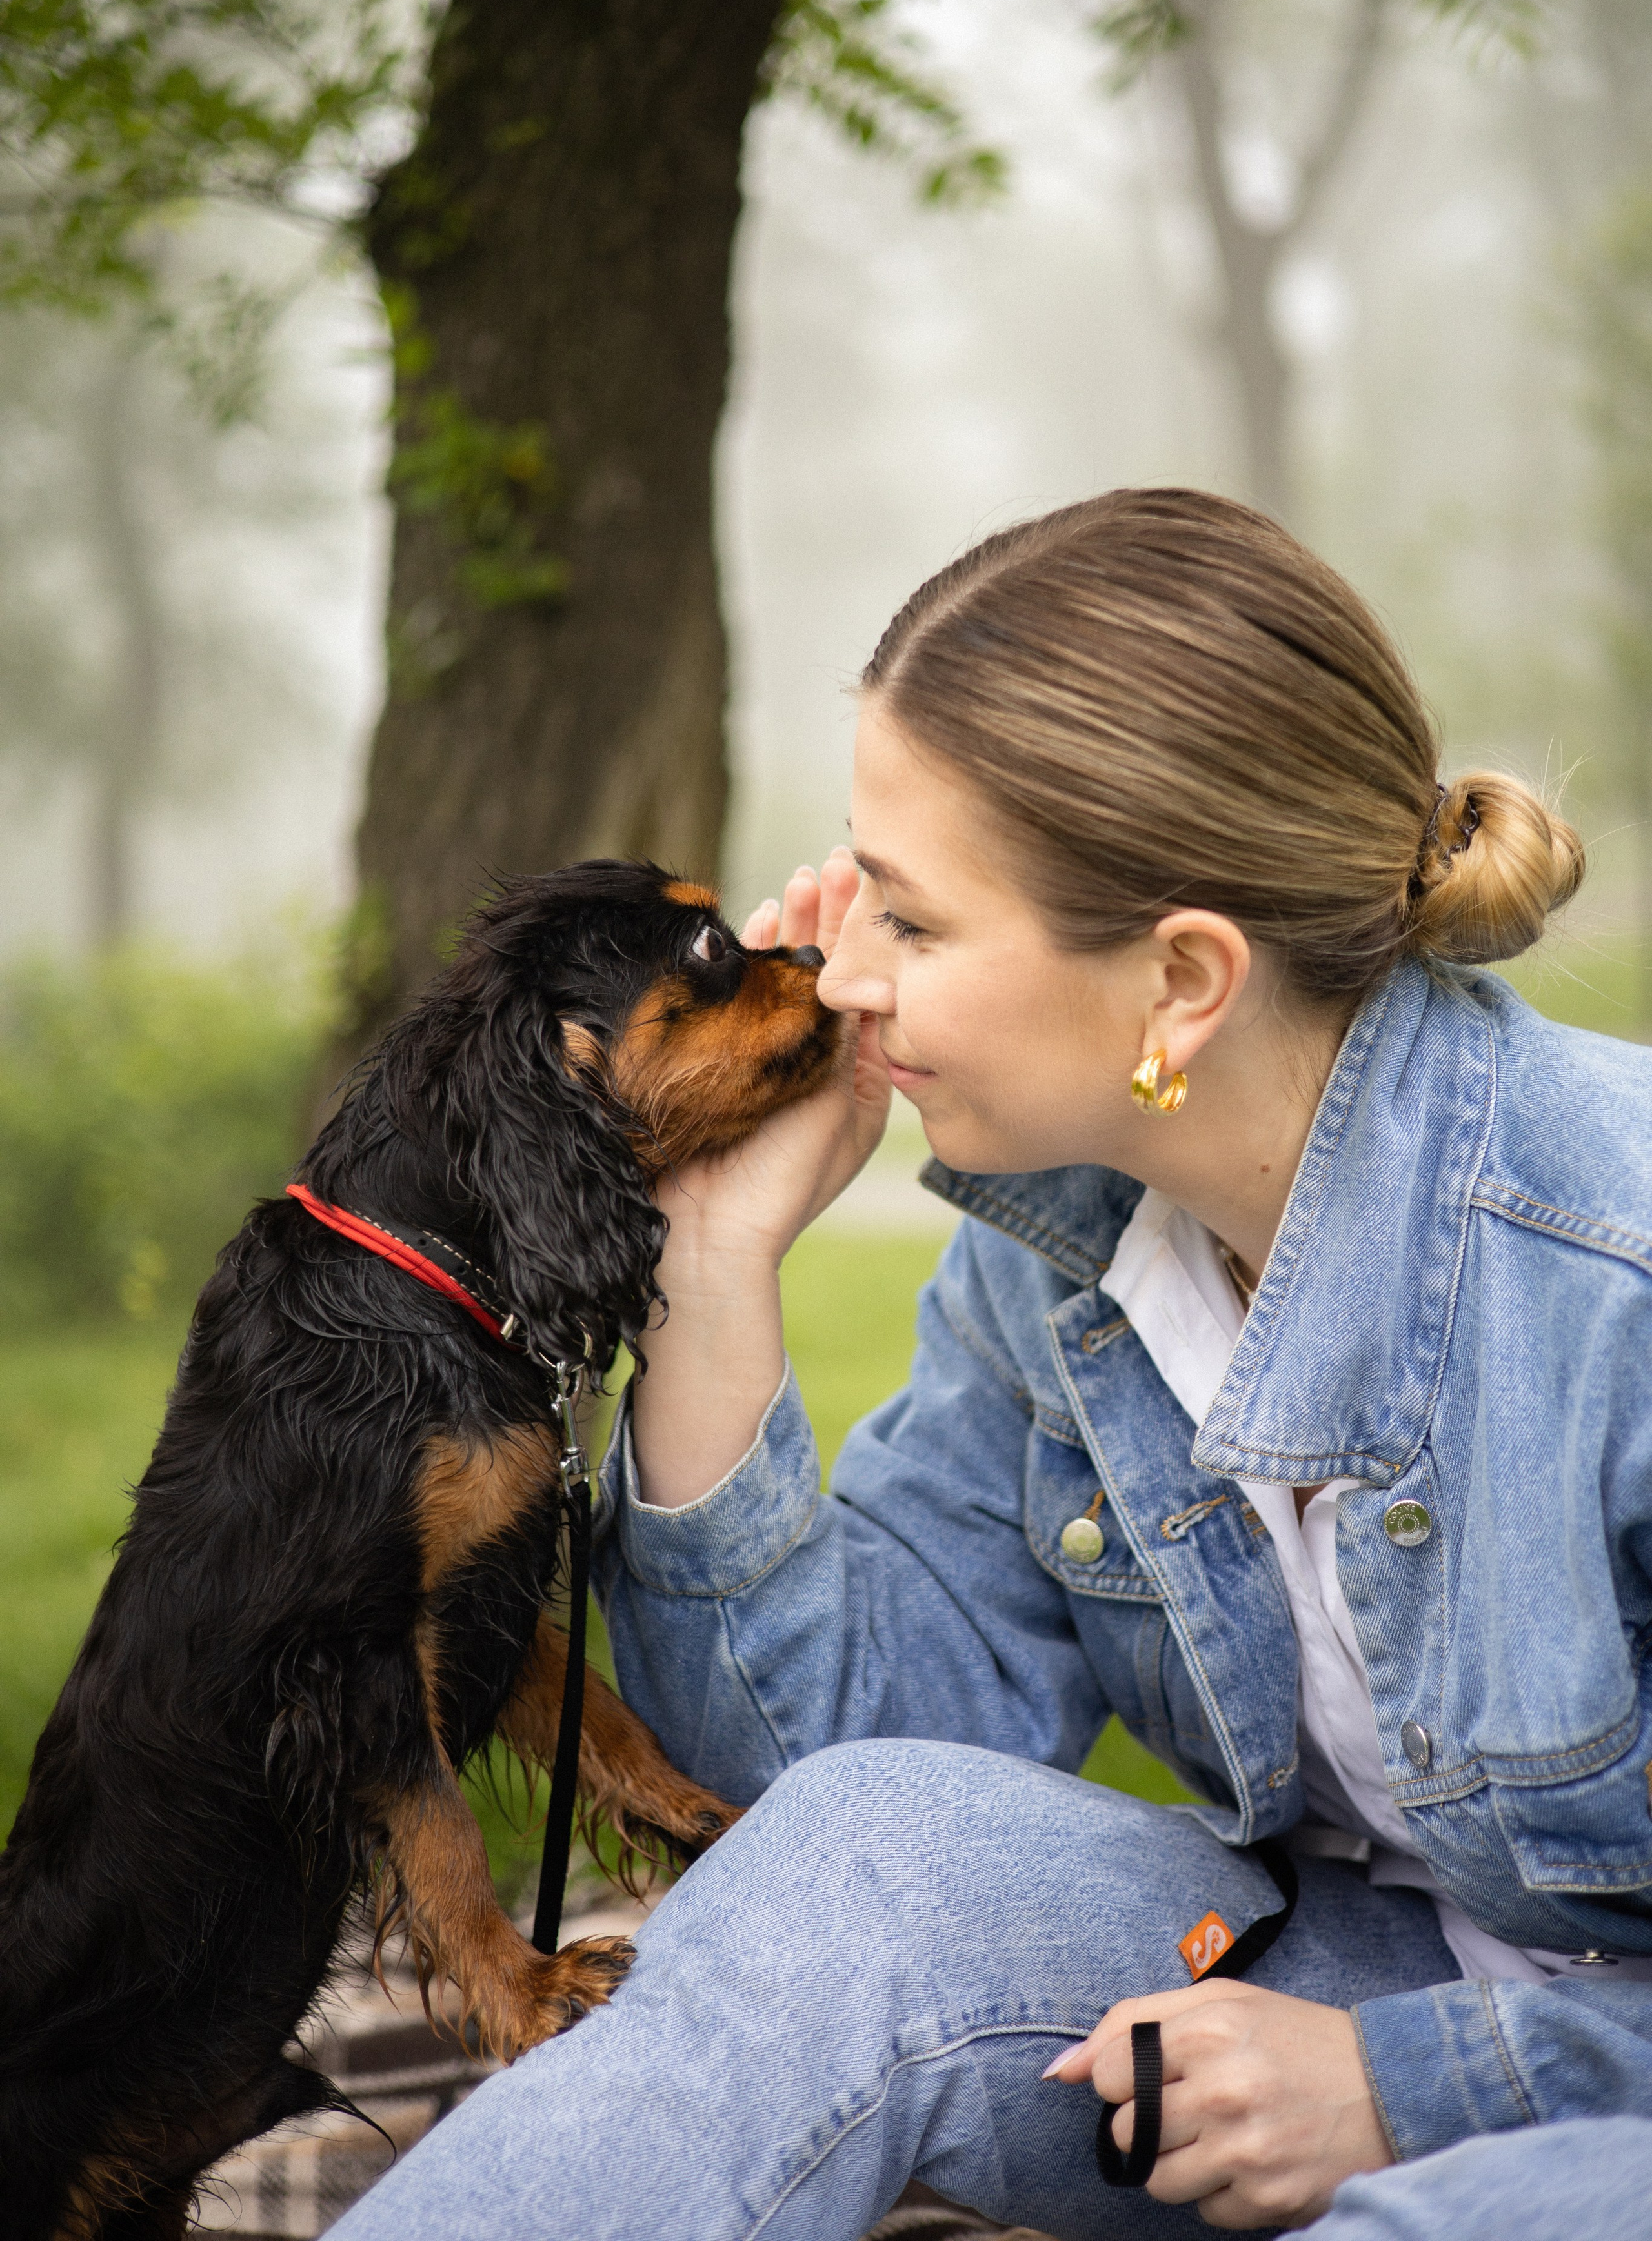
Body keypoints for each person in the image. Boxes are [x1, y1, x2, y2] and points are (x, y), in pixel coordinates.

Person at [332, 489, 1652, 2240]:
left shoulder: (1609, 1270)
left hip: (1588, 2093)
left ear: (1183, 980)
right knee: (861, 1864)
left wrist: (1422, 2097)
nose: (839, 975)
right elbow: (805, 1777)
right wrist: (714, 1271)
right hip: (1360, 1974)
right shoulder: (1065, 1257)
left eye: (913, 922)